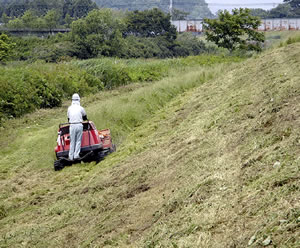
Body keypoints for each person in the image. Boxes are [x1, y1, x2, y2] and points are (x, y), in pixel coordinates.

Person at [67, 93, 87, 161]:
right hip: (79, 125)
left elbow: (68, 118)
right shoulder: (81, 108)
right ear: (79, 100)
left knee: (72, 141)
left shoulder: (69, 108)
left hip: (72, 125)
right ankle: (76, 155)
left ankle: (70, 157)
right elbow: (85, 117)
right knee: (78, 141)